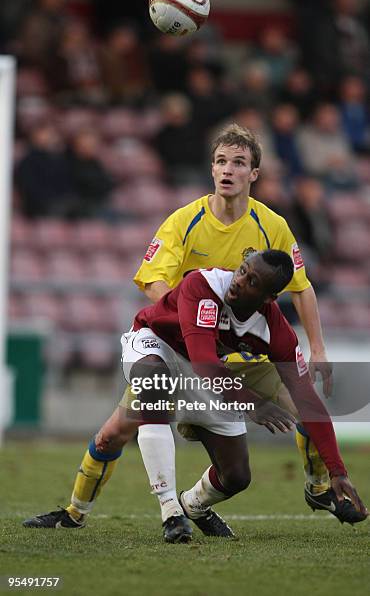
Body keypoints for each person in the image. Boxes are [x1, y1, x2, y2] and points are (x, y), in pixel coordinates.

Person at [23, 124, 354, 530]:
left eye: (238, 163)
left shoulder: (273, 227)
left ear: (254, 174)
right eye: (220, 162)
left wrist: (317, 349)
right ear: (212, 170)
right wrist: (196, 317)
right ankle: (75, 513)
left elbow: (301, 288)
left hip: (238, 353)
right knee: (115, 432)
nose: (227, 170)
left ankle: (321, 487)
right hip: (181, 344)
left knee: (299, 404)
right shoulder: (185, 220)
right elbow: (153, 282)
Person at [120, 249, 367, 542]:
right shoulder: (204, 285)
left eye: (252, 281)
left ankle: (192, 506)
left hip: (207, 368)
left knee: (236, 476)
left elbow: (308, 402)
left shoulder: (276, 332)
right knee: (152, 380)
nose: (239, 281)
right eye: (243, 270)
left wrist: (338, 471)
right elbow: (204, 362)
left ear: (268, 298)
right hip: (157, 343)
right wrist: (254, 403)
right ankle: (170, 510)